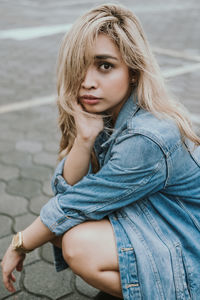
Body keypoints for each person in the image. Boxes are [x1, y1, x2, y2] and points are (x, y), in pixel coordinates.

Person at [1, 3, 200, 300]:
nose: (87, 82)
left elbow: (73, 204)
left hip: (188, 241)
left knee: (77, 244)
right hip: (157, 220)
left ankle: (171, 290)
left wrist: (19, 243)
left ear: (133, 71)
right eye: (80, 66)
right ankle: (142, 281)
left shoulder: (147, 135)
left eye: (105, 65)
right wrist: (83, 139)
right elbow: (65, 189)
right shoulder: (107, 112)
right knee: (55, 228)